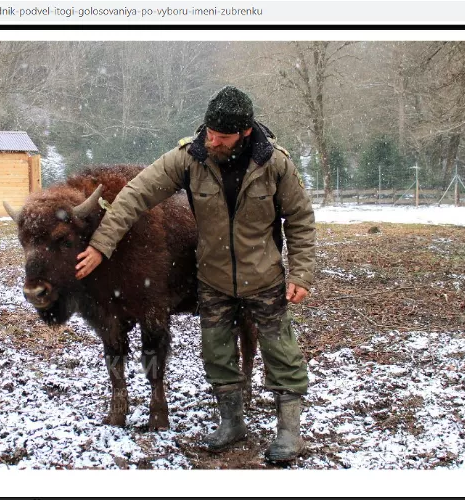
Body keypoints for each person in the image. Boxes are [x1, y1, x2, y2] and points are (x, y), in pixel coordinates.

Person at [75, 85, 316, 462]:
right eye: (210, 132)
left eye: (222, 136)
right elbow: (135, 195)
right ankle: (232, 422)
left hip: (264, 277)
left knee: (280, 352)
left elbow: (300, 218)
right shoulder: (191, 157)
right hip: (214, 279)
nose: (212, 141)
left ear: (245, 132)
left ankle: (289, 432)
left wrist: (300, 273)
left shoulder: (275, 164)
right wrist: (101, 245)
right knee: (217, 355)